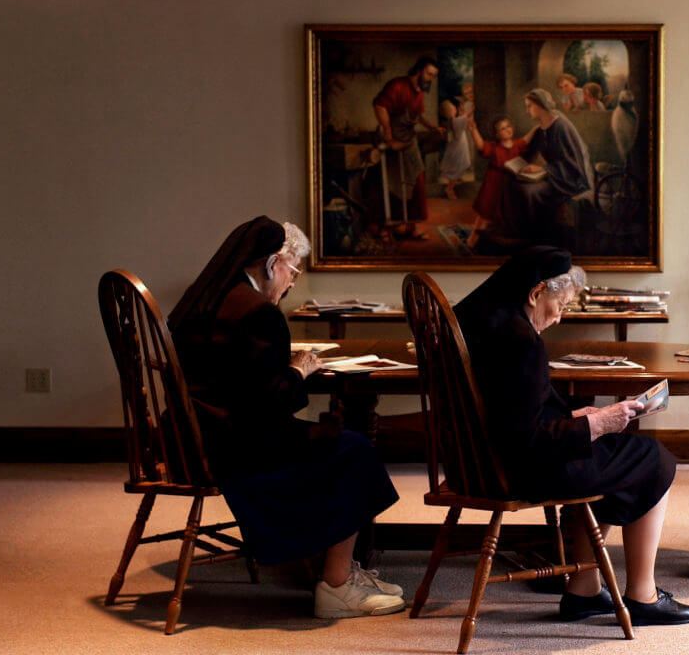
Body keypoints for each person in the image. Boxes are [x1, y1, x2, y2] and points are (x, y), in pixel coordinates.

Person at [168, 216, 405, 618]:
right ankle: (337, 585)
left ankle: (342, 568)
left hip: (192, 439)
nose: (293, 282)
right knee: (354, 449)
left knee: (336, 441)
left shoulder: (201, 298)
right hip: (238, 449)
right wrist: (300, 370)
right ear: (273, 261)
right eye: (293, 271)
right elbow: (274, 403)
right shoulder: (257, 312)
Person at [453, 246, 689, 627]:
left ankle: (585, 588)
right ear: (536, 293)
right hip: (518, 471)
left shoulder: (482, 319)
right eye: (561, 305)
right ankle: (644, 595)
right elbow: (529, 441)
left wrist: (575, 416)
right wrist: (599, 422)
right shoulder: (520, 340)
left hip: (476, 463)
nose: (559, 318)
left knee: (611, 450)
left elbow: (507, 414)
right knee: (653, 457)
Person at [501, 88, 592, 245]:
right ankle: (515, 230)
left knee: (529, 191)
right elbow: (529, 153)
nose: (527, 110)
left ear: (540, 105)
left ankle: (535, 237)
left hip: (568, 179)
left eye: (529, 106)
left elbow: (572, 164)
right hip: (554, 174)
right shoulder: (541, 128)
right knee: (512, 184)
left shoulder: (561, 127)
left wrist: (543, 169)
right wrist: (517, 164)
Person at [372, 56, 446, 240]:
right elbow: (380, 105)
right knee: (394, 182)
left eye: (434, 76)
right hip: (392, 139)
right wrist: (389, 135)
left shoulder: (419, 93)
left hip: (408, 140)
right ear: (419, 70)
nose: (431, 79)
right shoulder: (398, 85)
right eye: (429, 74)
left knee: (416, 179)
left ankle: (412, 226)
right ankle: (387, 228)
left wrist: (432, 128)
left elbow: (418, 117)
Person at [465, 115, 534, 248]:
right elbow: (480, 145)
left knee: (508, 212)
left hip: (510, 184)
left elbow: (527, 139)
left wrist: (536, 128)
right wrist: (473, 130)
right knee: (485, 212)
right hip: (494, 183)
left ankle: (499, 242)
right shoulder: (494, 147)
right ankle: (472, 239)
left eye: (508, 126)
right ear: (497, 135)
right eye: (503, 128)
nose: (507, 130)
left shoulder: (517, 145)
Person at [436, 100, 471, 200]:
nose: (455, 108)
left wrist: (462, 113)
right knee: (457, 169)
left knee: (457, 169)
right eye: (453, 108)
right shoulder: (456, 122)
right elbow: (465, 118)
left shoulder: (452, 121)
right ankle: (449, 189)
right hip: (458, 150)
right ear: (451, 111)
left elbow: (463, 119)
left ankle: (452, 185)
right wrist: (472, 109)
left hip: (456, 148)